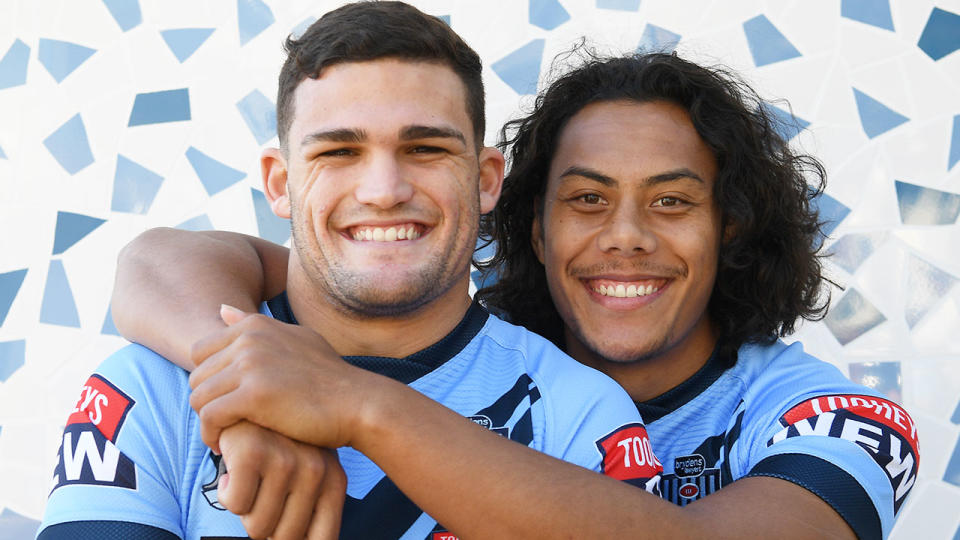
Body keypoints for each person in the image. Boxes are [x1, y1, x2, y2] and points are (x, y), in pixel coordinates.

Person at [109, 28, 915, 540]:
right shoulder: (445, 324)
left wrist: (355, 406)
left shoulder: (832, 414)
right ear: (530, 223)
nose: (626, 237)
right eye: (586, 200)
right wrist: (239, 385)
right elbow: (169, 262)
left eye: (672, 202)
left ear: (730, 225)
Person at [36, 4, 662, 540]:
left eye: (425, 149)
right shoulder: (148, 387)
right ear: (281, 184)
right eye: (339, 151)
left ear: (484, 180)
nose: (384, 190)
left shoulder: (580, 410)